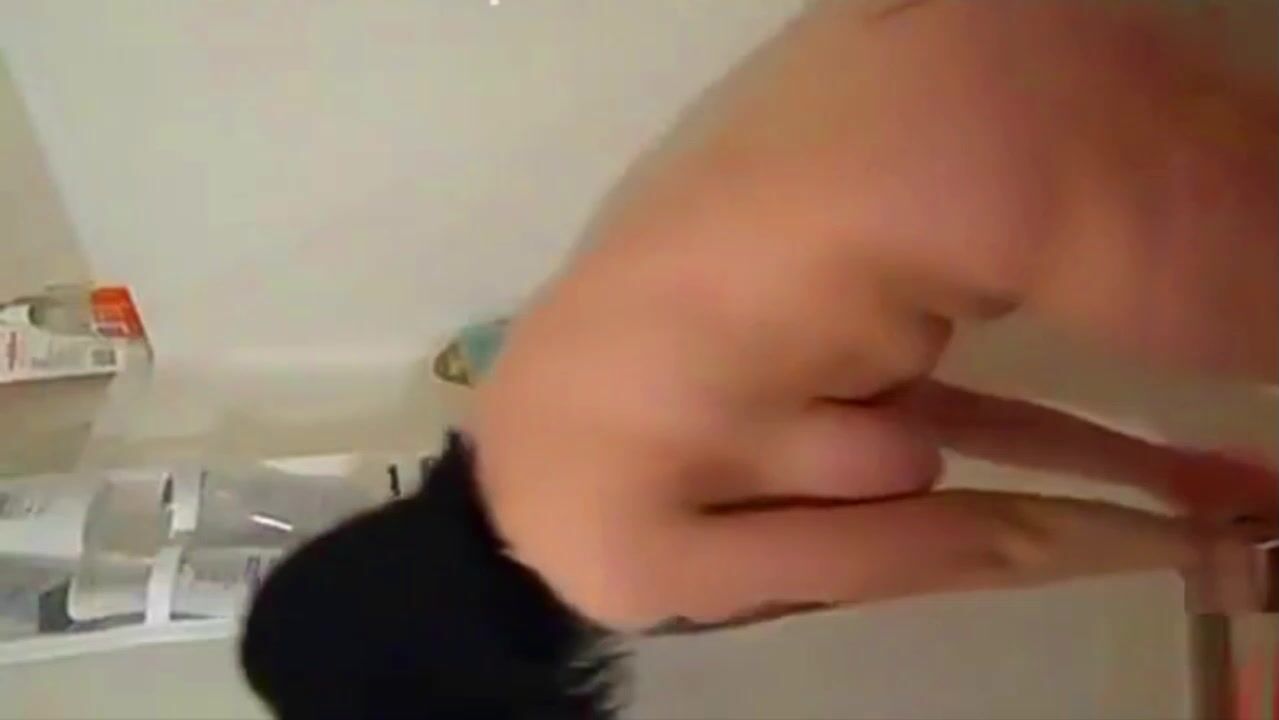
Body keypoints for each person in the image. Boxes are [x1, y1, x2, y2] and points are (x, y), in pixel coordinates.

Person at [241, 2, 1278, 718]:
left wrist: (1206, 558)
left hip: (1019, 162)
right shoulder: (517, 408)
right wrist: (1162, 473)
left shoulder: (607, 563)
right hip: (926, 46)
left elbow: (990, 544)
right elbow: (922, 400)